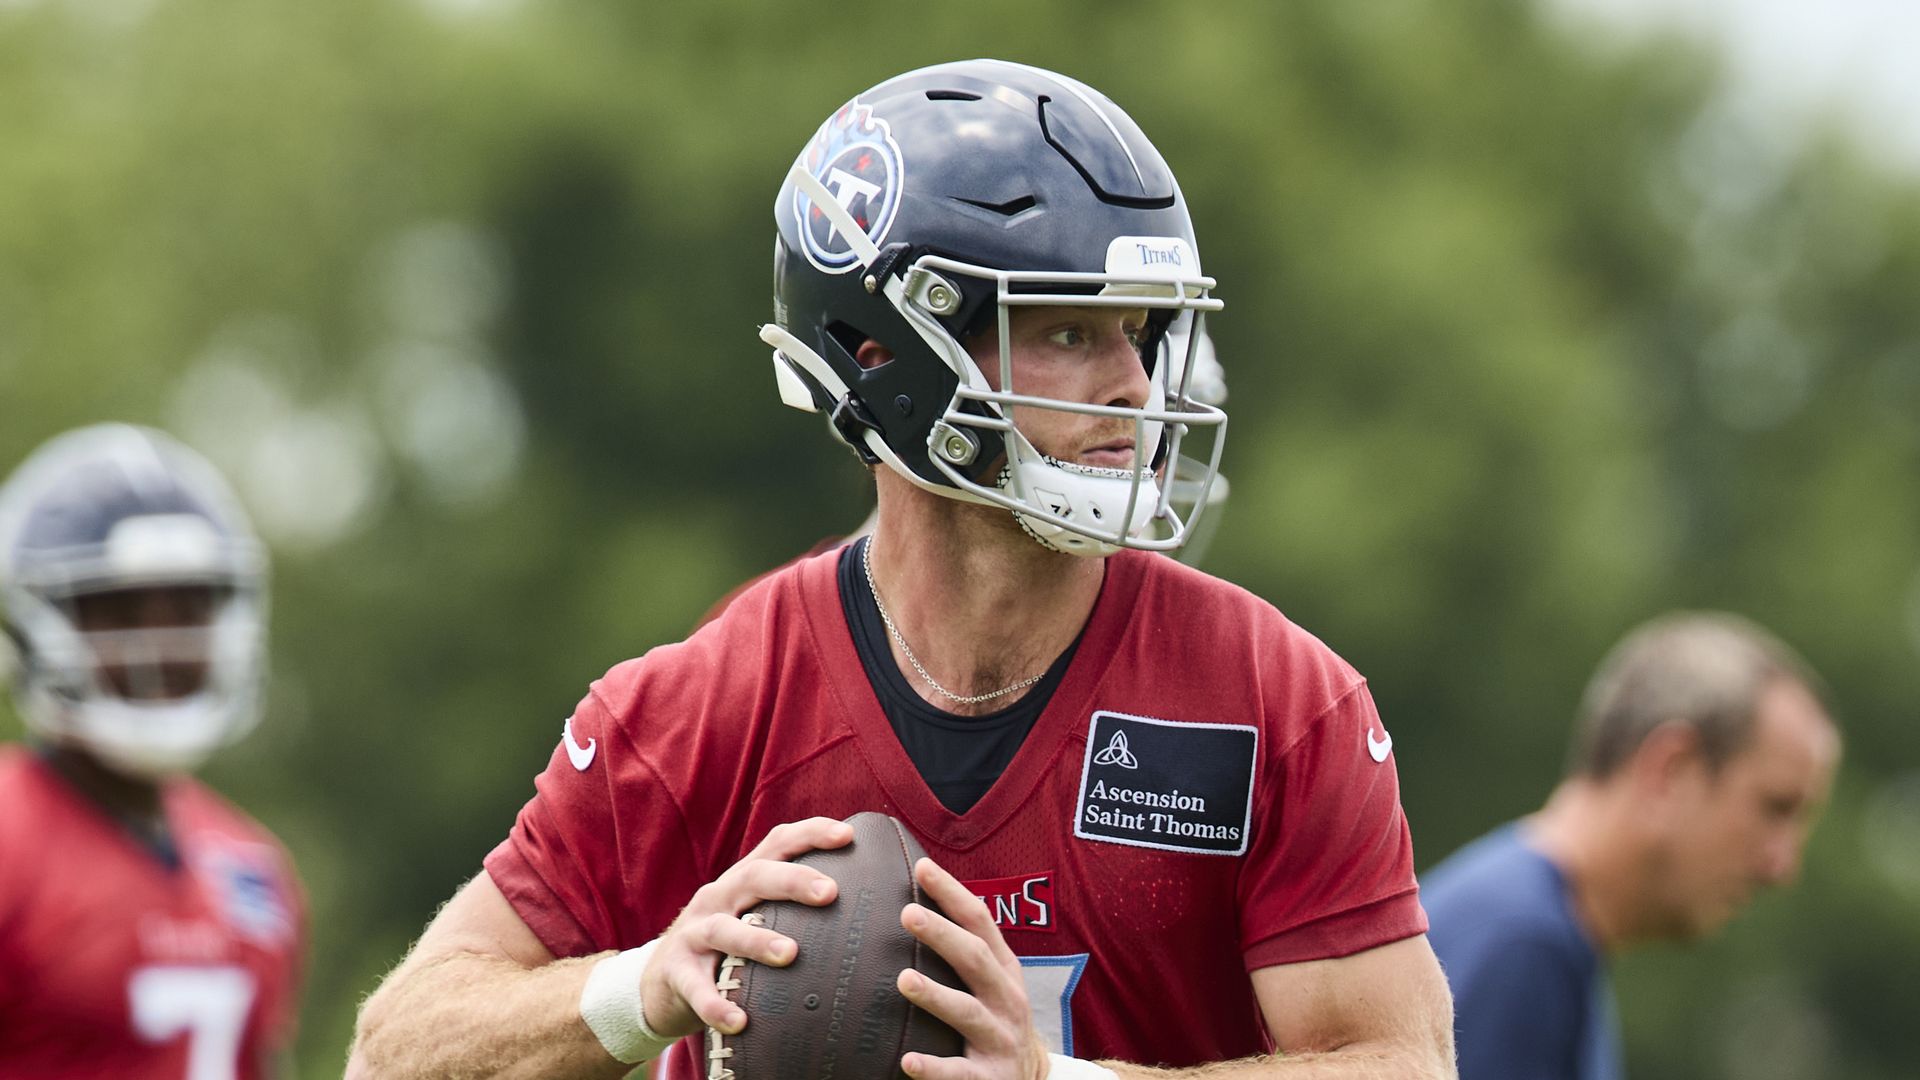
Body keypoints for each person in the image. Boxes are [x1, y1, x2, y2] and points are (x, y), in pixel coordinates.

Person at [348, 59, 1454, 1080]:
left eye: (1143, 333)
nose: (1130, 386)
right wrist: (646, 983)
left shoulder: (1276, 703)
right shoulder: (701, 709)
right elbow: (393, 1052)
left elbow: (1406, 1063)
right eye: (1070, 331)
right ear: (883, 357)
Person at [0, 423, 306, 1078]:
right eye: (120, 611)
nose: (159, 643)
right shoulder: (10, 839)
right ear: (41, 622)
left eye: (187, 608)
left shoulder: (254, 870)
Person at [1421, 611, 1841, 1080]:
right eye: (1774, 808)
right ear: (1671, 771)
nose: (1781, 867)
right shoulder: (1523, 950)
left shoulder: (1532, 928)